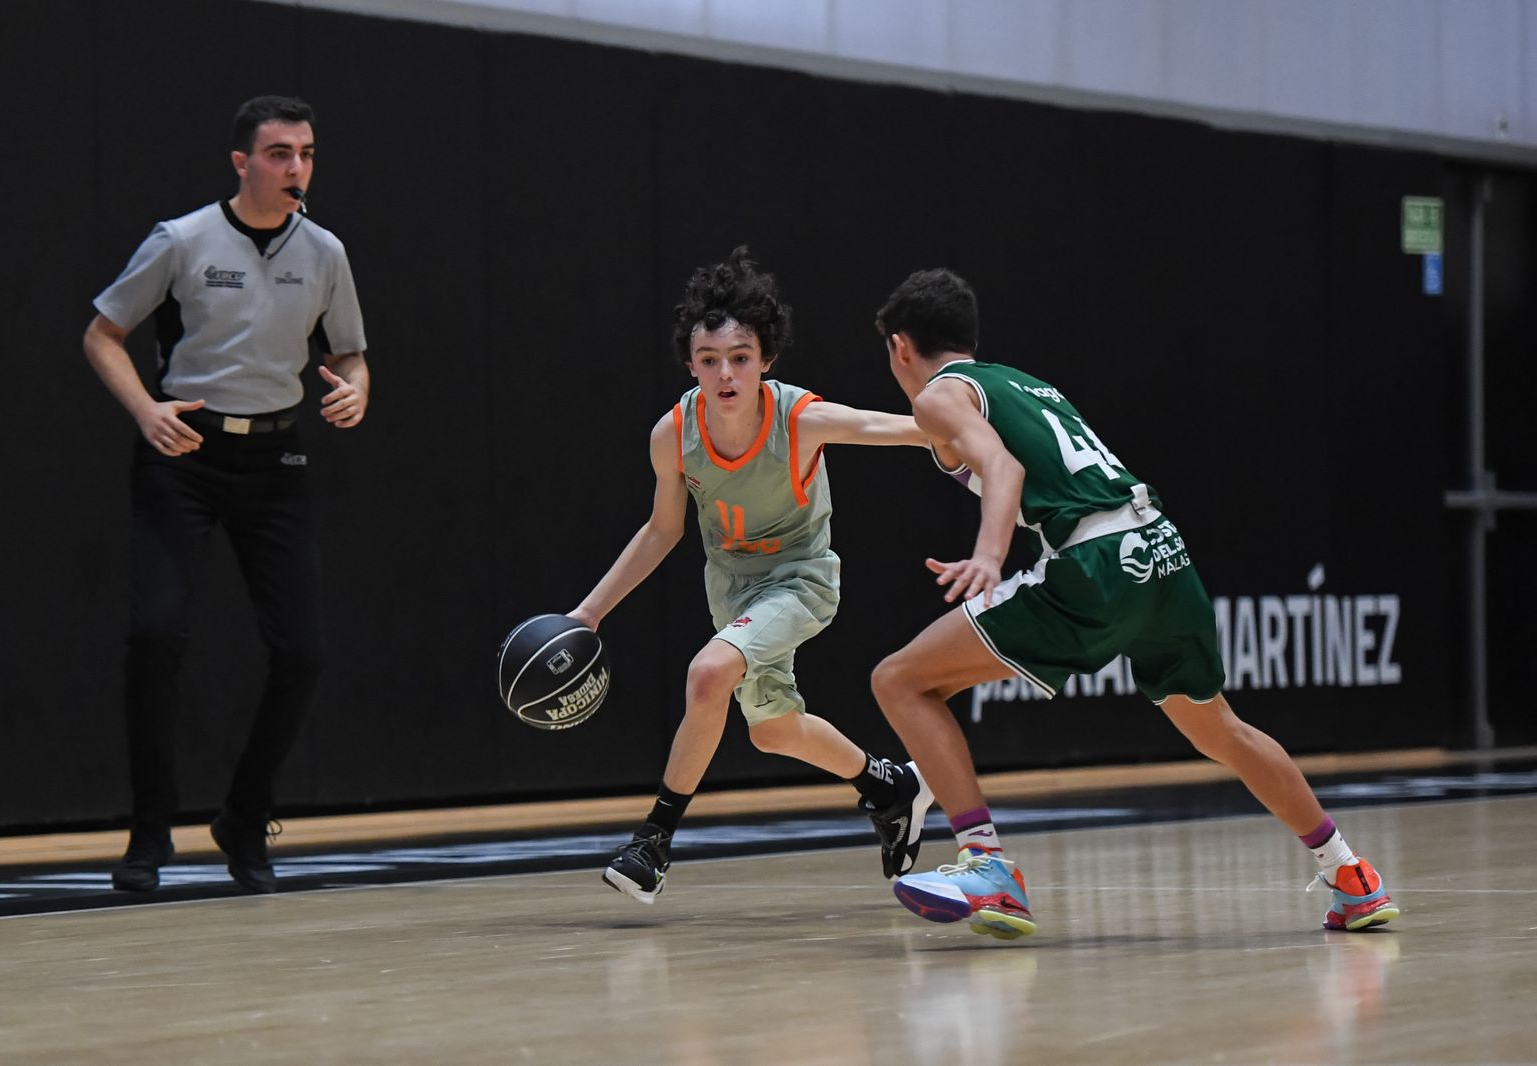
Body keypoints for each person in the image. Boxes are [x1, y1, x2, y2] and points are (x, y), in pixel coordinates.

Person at [870, 268, 1398, 940]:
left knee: (900, 680)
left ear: (900, 347)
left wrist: (990, 558)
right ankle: (1350, 875)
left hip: (1095, 564)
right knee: (1219, 729)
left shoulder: (939, 398)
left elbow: (1005, 470)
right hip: (1161, 549)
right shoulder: (1023, 385)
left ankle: (987, 865)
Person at [570, 247, 936, 904]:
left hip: (801, 581)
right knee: (771, 730)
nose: (726, 373)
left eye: (740, 357)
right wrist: (589, 613)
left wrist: (965, 429)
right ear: (691, 366)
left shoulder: (798, 420)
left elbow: (886, 427)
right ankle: (889, 787)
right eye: (709, 361)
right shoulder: (673, 434)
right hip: (734, 591)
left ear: (766, 358)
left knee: (708, 673)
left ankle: (653, 842)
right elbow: (663, 530)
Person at [83, 95, 370, 894]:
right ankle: (149, 827)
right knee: (157, 635)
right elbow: (102, 333)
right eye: (280, 154)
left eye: (307, 153)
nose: (296, 169)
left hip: (275, 461)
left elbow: (351, 354)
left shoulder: (325, 252)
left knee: (303, 651)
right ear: (241, 163)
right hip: (185, 456)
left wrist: (356, 391)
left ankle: (244, 814)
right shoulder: (181, 241)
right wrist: (145, 410)